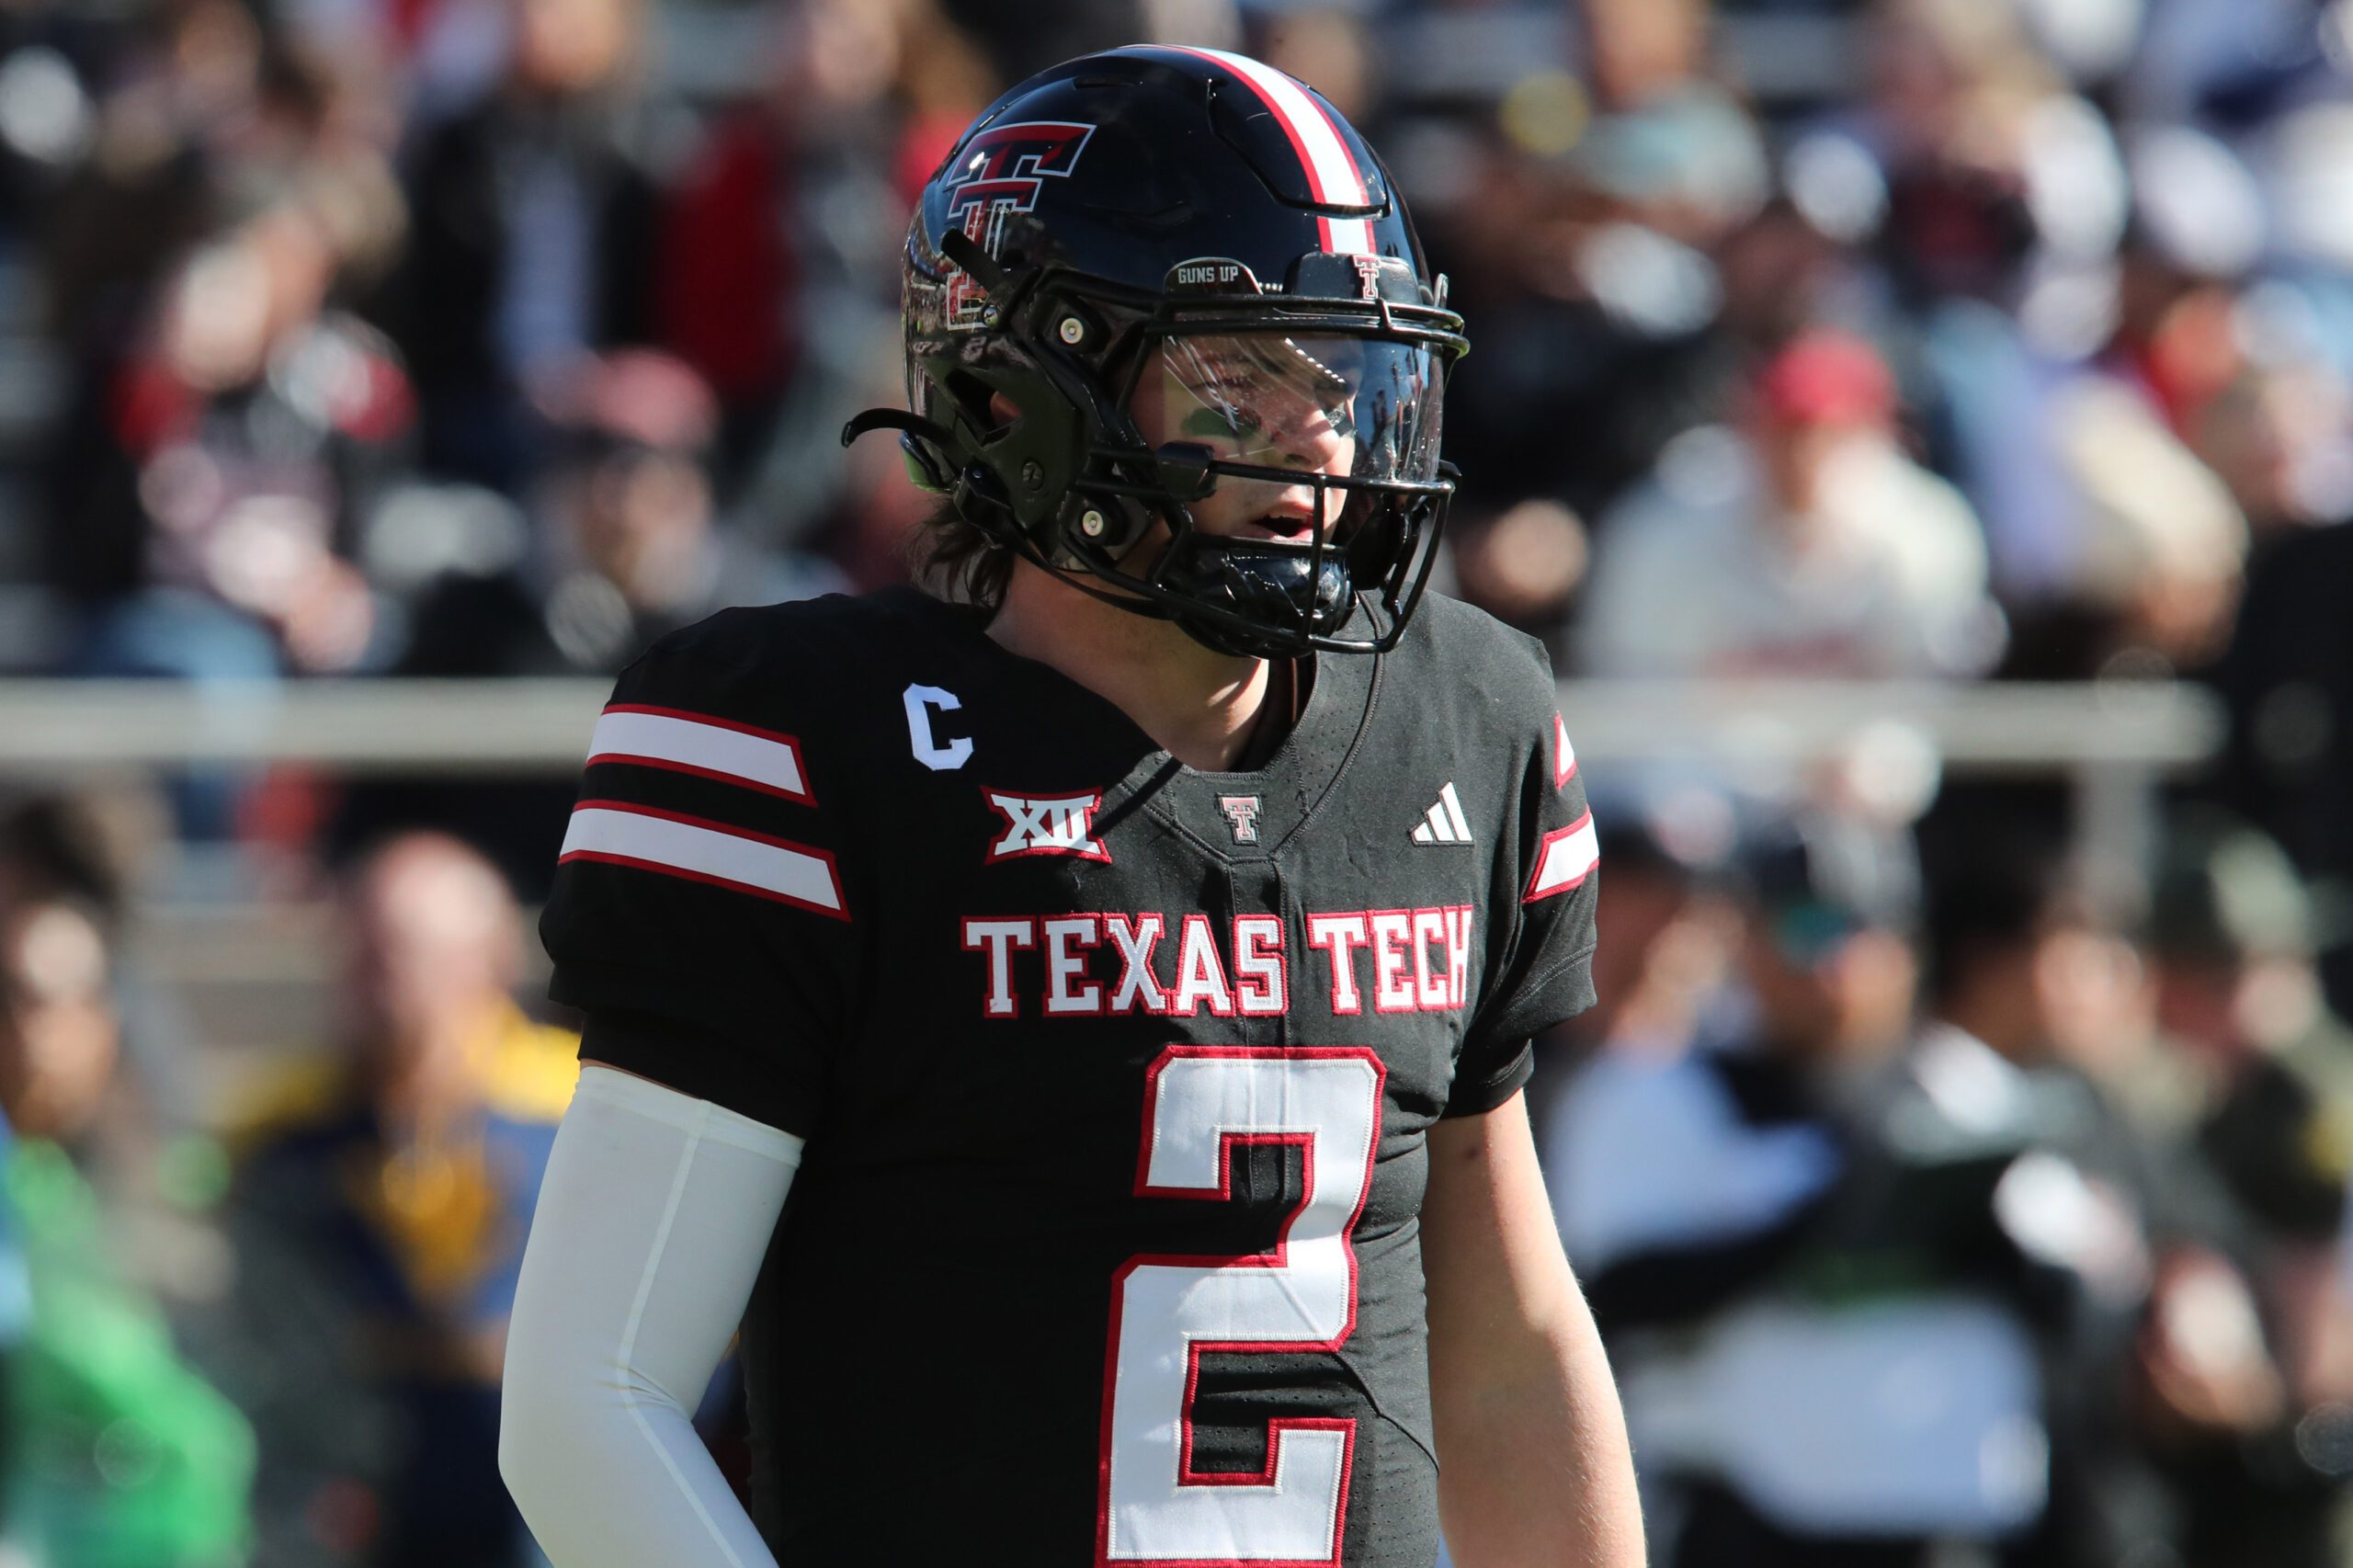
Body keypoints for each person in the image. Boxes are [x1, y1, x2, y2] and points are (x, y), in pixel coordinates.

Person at [498, 44, 1643, 1568]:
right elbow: (590, 1399)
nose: (1319, 437)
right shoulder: (814, 747)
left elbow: (1503, 1343)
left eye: (1347, 373)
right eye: (1243, 369)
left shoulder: (1463, 721)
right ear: (1027, 380)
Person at [227, 834, 577, 1568]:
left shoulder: (579, 1118)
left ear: (491, 960)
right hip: (351, 1507)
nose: (370, 981)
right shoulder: (279, 1137)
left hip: (547, 1510)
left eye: (396, 953)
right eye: (354, 954)